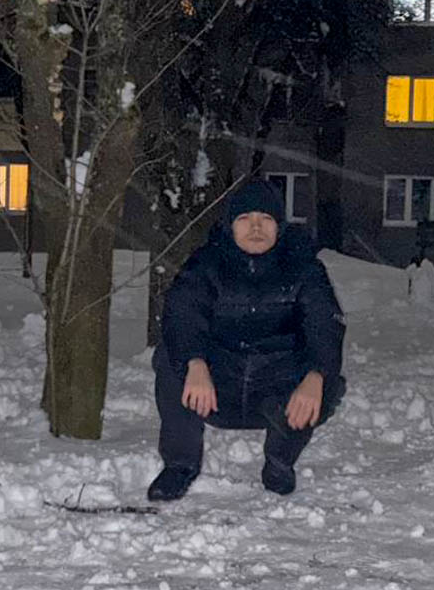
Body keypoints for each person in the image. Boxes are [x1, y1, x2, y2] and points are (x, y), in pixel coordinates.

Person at [147, 179, 346, 501]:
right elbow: (181, 315)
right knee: (170, 360)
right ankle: (180, 465)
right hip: (215, 389)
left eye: (265, 219)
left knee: (326, 379)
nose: (256, 228)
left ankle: (280, 460)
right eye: (245, 219)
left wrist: (316, 374)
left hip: (273, 393)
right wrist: (195, 363)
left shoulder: (304, 267)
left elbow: (325, 326)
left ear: (279, 225)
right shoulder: (206, 264)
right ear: (230, 226)